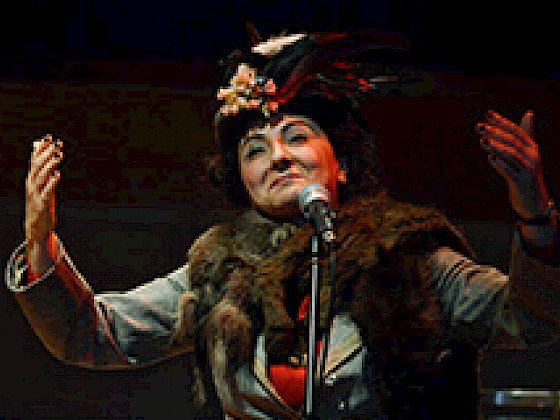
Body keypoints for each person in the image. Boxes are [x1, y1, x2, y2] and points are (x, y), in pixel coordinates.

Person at [5, 29, 560, 419]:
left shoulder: (409, 257)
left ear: (341, 162)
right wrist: (39, 243)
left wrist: (534, 214)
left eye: (297, 137)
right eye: (254, 149)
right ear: (242, 182)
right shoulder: (217, 272)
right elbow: (91, 335)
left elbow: (529, 321)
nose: (278, 157)